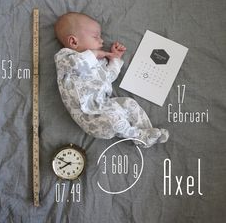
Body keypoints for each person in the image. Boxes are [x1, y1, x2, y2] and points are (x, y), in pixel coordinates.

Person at [54, 12, 169, 147]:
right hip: (89, 117)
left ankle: (147, 132)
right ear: (73, 41)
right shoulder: (65, 57)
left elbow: (108, 78)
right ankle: (138, 136)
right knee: (114, 118)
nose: (101, 41)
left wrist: (115, 59)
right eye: (96, 36)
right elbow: (77, 65)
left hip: (105, 104)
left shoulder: (99, 63)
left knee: (129, 103)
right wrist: (95, 53)